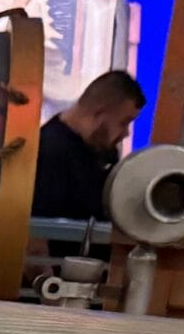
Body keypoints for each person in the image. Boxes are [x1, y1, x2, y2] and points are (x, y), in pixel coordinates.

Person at [32, 68, 147, 225]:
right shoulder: (49, 153)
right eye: (123, 122)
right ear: (99, 114)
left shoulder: (102, 151)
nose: (126, 133)